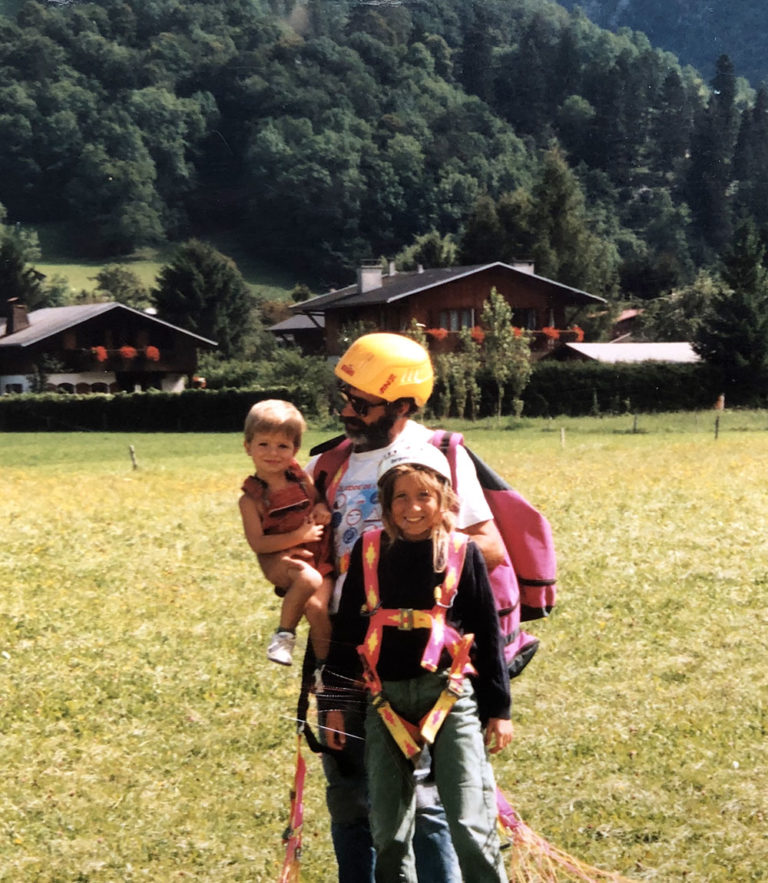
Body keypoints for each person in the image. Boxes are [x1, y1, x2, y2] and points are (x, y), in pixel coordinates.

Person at [280, 332, 506, 881]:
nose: (346, 411)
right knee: (351, 792)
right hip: (343, 644)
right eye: (344, 397)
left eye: (362, 402)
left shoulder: (438, 457)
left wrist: (402, 553)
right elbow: (309, 558)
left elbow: (490, 549)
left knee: (428, 798)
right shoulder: (329, 465)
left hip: (421, 662)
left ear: (403, 404)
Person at [322, 444, 512, 882]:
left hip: (448, 697)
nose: (412, 508)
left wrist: (498, 710)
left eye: (424, 496)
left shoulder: (462, 554)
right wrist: (335, 702)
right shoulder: (369, 554)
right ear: (386, 504)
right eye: (401, 497)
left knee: (469, 822)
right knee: (388, 831)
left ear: (444, 500)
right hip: (384, 701)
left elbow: (486, 631)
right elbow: (348, 633)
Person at [239, 399, 333, 671]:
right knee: (308, 578)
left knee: (317, 608)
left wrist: (321, 509)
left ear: (295, 449)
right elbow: (258, 543)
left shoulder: (302, 479)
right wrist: (299, 536)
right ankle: (283, 635)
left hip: (316, 553)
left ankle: (325, 671)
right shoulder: (251, 500)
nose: (273, 453)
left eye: (283, 446)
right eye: (264, 444)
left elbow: (317, 501)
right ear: (248, 447)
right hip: (277, 559)